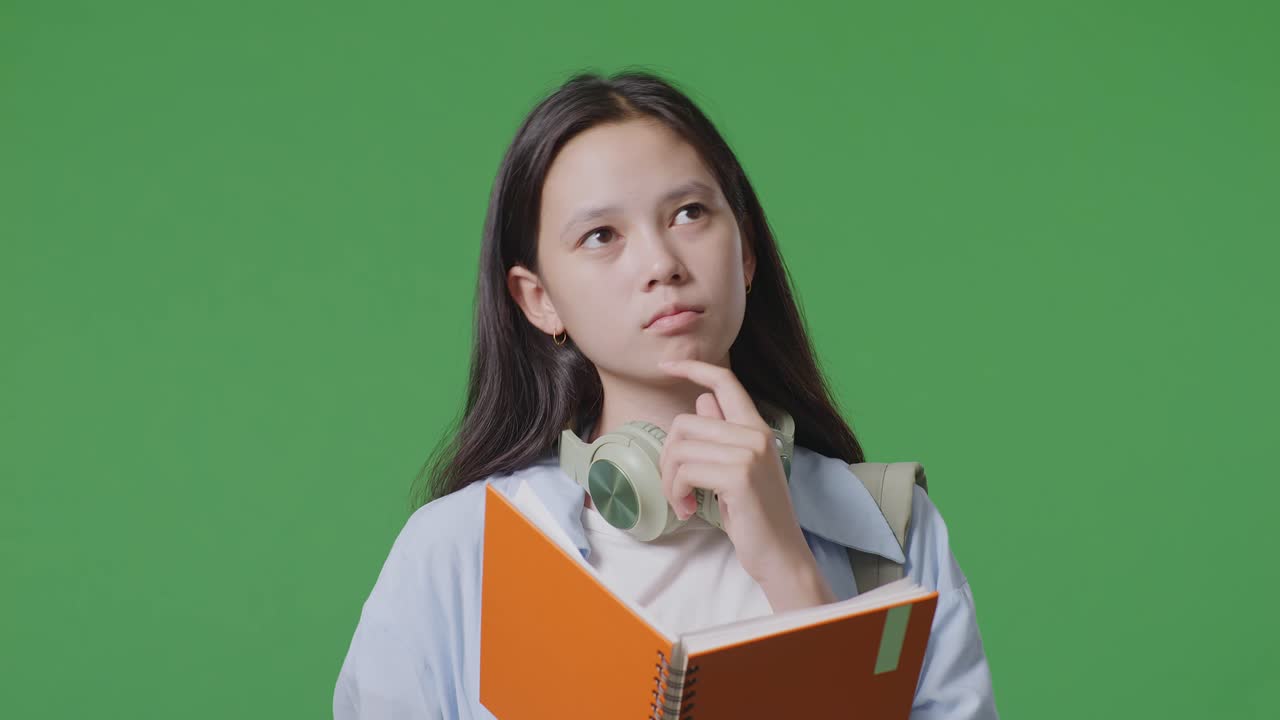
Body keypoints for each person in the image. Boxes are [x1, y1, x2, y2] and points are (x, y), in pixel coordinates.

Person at [333, 69, 999, 719]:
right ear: (538, 300)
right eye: (602, 236)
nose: (661, 264)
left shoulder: (889, 532)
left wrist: (791, 573)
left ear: (744, 252)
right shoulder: (463, 550)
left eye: (689, 213)